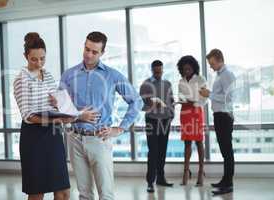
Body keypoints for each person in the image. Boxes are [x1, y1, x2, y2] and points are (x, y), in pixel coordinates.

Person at [59, 31, 143, 200]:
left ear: (102, 53)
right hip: (74, 138)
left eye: (94, 52)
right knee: (84, 194)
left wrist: (119, 129)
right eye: (87, 49)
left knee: (106, 194)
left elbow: (136, 101)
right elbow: (62, 108)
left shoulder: (112, 75)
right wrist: (74, 115)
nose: (89, 54)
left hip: (100, 139)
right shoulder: (69, 75)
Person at [13, 32, 97, 200]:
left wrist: (61, 104)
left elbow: (56, 102)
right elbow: (28, 115)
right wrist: (56, 119)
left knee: (63, 191)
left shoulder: (49, 75)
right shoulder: (21, 80)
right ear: (25, 56)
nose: (39, 63)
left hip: (53, 136)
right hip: (34, 138)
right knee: (37, 192)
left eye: (42, 58)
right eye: (34, 59)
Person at [199, 49, 236, 195]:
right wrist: (209, 93)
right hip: (219, 116)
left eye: (212, 63)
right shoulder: (220, 75)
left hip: (224, 117)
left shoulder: (227, 75)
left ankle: (228, 184)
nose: (210, 66)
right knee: (224, 151)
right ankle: (225, 181)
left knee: (227, 152)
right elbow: (219, 95)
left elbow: (229, 98)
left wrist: (210, 94)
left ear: (219, 59)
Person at [139, 60, 175, 193]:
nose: (158, 73)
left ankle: (161, 178)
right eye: (156, 71)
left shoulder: (167, 84)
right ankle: (150, 182)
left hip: (165, 121)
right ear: (152, 70)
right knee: (153, 151)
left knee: (162, 151)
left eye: (160, 71)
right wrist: (152, 103)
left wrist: (171, 115)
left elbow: (171, 101)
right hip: (152, 121)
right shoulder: (146, 85)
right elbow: (141, 104)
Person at [176, 55, 207, 186]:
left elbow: (204, 98)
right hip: (185, 112)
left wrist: (194, 101)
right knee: (187, 142)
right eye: (184, 69)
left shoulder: (200, 79)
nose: (187, 71)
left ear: (194, 68)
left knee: (199, 141)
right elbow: (180, 96)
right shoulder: (181, 82)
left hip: (196, 112)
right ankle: (186, 171)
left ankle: (201, 171)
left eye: (189, 68)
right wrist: (186, 99)